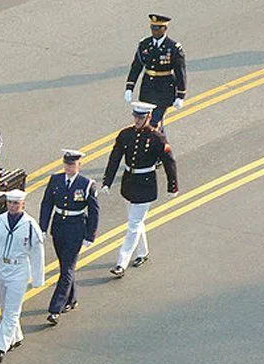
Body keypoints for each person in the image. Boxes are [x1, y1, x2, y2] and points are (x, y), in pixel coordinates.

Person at [100, 101, 178, 277]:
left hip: (145, 184)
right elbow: (115, 158)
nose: (136, 120)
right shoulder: (125, 135)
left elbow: (169, 161)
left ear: (148, 118)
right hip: (129, 182)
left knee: (133, 225)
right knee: (136, 221)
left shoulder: (157, 138)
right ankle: (143, 252)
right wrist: (107, 181)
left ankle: (121, 263)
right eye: (135, 116)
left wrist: (172, 185)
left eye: (140, 117)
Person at [0, 189, 45, 363]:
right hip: (1, 269)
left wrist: (38, 279)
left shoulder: (30, 225)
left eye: (16, 203)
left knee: (12, 311)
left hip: (19, 272)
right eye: (10, 203)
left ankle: (1, 347)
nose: (13, 206)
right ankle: (16, 337)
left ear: (22, 204)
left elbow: (37, 253)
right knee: (5, 307)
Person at [39, 150, 100, 325]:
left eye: (72, 165)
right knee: (65, 265)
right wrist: (43, 227)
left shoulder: (87, 184)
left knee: (66, 270)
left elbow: (94, 212)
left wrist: (90, 235)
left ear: (79, 166)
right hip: (58, 227)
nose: (68, 167)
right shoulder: (55, 180)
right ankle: (71, 298)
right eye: (66, 164)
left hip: (76, 228)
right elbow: (47, 204)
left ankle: (55, 309)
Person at [125, 14, 187, 130]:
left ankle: (160, 144)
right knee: (143, 120)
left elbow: (180, 72)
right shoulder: (145, 44)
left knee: (154, 123)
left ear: (165, 28)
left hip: (164, 88)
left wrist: (180, 95)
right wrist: (130, 87)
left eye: (157, 28)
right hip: (148, 86)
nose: (154, 31)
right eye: (152, 28)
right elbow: (136, 66)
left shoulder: (173, 47)